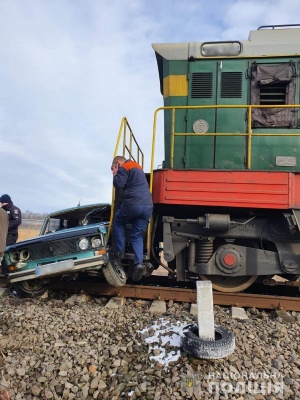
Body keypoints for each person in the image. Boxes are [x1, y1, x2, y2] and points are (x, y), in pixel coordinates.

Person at [111, 156, 153, 281]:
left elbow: (119, 184)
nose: (113, 169)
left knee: (118, 222)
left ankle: (120, 253)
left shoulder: (124, 167)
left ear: (117, 163)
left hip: (133, 204)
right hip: (148, 206)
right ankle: (138, 264)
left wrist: (115, 173)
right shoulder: (137, 167)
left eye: (113, 166)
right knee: (136, 235)